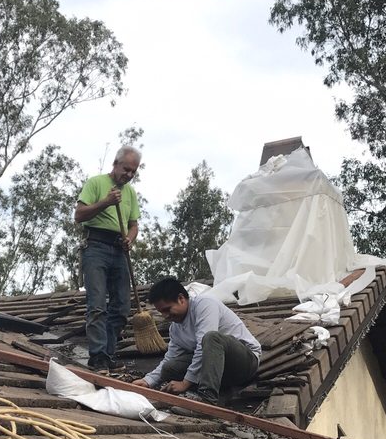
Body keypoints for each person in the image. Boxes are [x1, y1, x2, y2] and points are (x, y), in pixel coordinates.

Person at [131, 277, 261, 405]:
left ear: (181, 299)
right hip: (218, 370)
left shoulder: (205, 304)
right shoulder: (175, 329)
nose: (166, 316)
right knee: (169, 368)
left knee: (211, 338)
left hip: (244, 363)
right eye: (161, 312)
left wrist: (185, 383)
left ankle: (207, 398)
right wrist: (148, 381)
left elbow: (202, 347)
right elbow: (170, 357)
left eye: (167, 309)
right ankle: (220, 392)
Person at [75, 145, 142, 370]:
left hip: (119, 250)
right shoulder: (96, 183)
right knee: (97, 305)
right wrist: (105, 202)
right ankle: (97, 356)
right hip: (96, 246)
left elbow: (133, 225)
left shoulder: (130, 193)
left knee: (122, 307)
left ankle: (108, 353)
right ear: (115, 164)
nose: (129, 175)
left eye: (134, 171)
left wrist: (130, 239)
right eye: (126, 169)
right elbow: (79, 215)